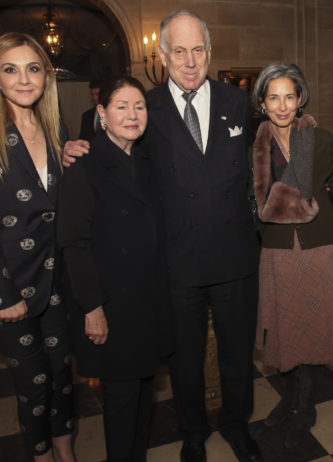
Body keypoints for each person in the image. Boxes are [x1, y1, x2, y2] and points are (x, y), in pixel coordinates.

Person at [62, 10, 261, 462]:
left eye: (198, 50)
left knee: (236, 355)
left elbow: (265, 154)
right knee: (184, 360)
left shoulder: (236, 102)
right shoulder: (145, 106)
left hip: (234, 258)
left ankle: (236, 424)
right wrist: (76, 145)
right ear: (163, 55)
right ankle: (192, 432)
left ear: (209, 53)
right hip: (176, 262)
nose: (189, 61)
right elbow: (116, 145)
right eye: (179, 50)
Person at [57, 76, 167, 462]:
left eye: (139, 106)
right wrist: (92, 308)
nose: (132, 115)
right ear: (102, 113)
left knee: (142, 394)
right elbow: (74, 242)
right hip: (110, 304)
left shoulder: (147, 159)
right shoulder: (83, 163)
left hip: (147, 301)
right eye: (121, 106)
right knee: (121, 402)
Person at [250, 63, 333, 449]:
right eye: (274, 97)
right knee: (283, 328)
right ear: (262, 102)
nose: (282, 105)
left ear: (300, 98)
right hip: (277, 247)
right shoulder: (256, 147)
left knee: (312, 328)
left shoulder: (319, 139)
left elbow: (330, 183)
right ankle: (289, 398)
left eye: (290, 95)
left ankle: (305, 405)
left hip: (319, 244)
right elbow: (251, 200)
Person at [0, 32, 74, 462]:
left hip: (57, 279)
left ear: (46, 77)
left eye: (33, 68)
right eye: (10, 69)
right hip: (12, 287)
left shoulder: (55, 128)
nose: (24, 79)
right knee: (32, 388)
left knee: (62, 376)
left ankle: (67, 454)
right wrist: (3, 295)